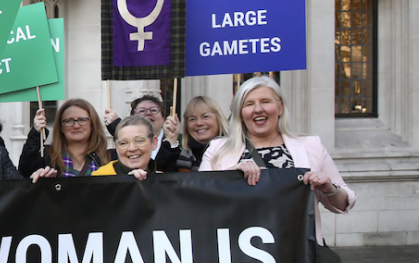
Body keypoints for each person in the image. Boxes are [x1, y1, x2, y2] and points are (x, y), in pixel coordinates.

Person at [200, 76, 354, 244]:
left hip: (298, 253)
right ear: (240, 113)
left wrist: (328, 187)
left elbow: (344, 203)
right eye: (249, 104)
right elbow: (200, 201)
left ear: (280, 107)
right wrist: (231, 176)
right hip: (240, 254)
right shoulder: (217, 149)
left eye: (265, 101)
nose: (258, 109)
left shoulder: (311, 145)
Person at [23, 98, 112, 181]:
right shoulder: (47, 157)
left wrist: (115, 125)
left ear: (92, 125)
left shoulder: (108, 158)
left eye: (82, 120)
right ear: (61, 127)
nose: (76, 126)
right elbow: (24, 172)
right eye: (69, 121)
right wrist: (36, 133)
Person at [105, 94, 181, 171]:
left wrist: (171, 139)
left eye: (154, 110)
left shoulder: (181, 144)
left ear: (164, 119)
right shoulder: (111, 155)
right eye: (141, 110)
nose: (148, 113)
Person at [94, 115, 159, 180]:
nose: (132, 148)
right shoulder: (99, 178)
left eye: (139, 141)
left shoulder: (163, 180)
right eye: (123, 143)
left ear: (153, 143)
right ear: (117, 147)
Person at [176, 95, 229, 171]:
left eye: (205, 116)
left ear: (218, 119)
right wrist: (171, 140)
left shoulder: (234, 149)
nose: (199, 123)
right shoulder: (184, 155)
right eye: (192, 119)